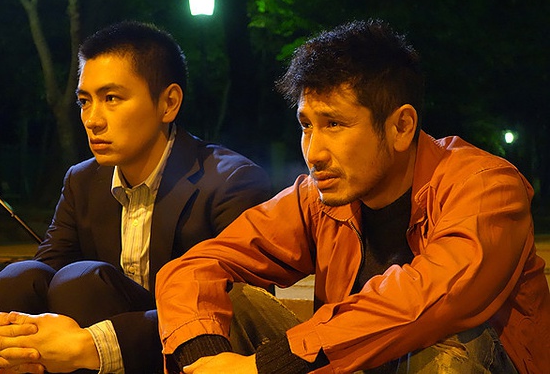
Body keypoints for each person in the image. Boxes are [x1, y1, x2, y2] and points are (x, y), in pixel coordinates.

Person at [155, 19, 550, 373]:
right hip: (352, 362)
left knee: (445, 348)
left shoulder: (486, 186)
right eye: (306, 125)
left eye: (334, 124)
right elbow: (193, 268)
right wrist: (207, 361)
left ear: (401, 127)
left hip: (464, 361)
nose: (314, 152)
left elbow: (433, 298)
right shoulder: (319, 197)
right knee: (229, 298)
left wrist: (269, 365)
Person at [0, 20, 272, 374]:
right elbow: (40, 278)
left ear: (169, 103)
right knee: (20, 277)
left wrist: (96, 343)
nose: (92, 120)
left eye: (111, 99)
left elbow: (243, 316)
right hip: (82, 354)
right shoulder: (83, 180)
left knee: (82, 283)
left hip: (187, 357)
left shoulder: (232, 182)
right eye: (84, 101)